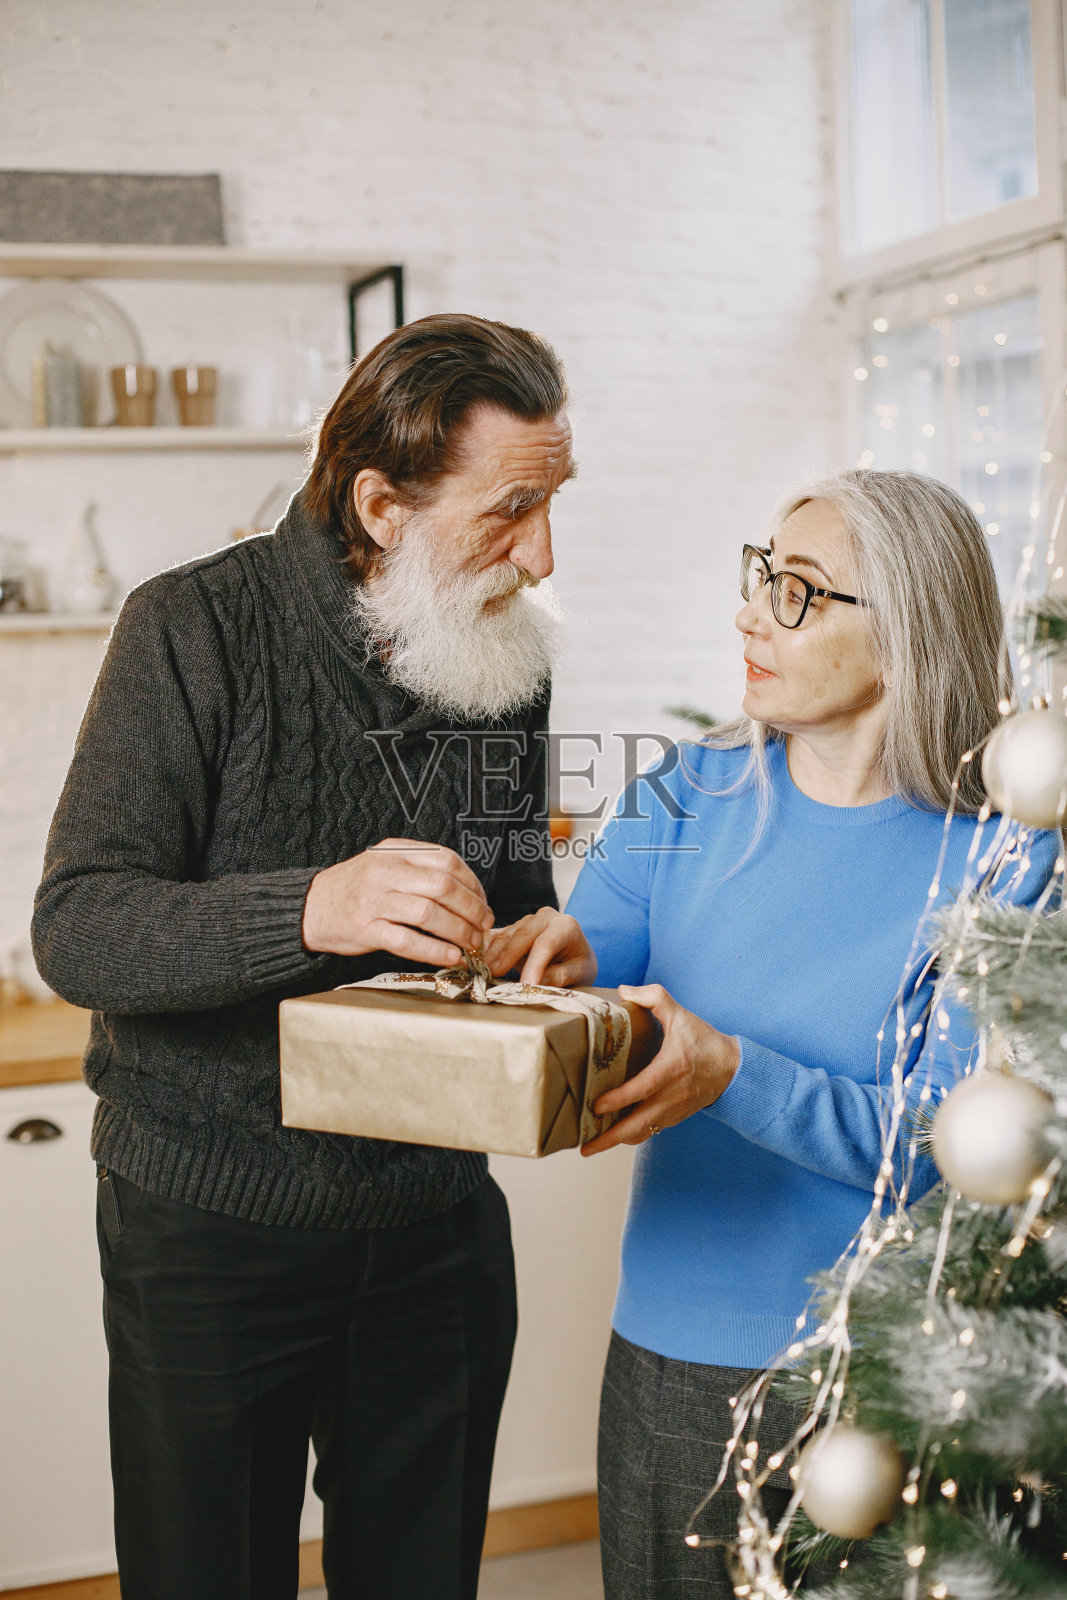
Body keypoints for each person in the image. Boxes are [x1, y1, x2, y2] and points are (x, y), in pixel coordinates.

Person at [32, 313, 576, 1600]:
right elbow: (79, 924)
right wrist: (313, 907)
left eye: (553, 504)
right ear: (382, 503)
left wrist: (531, 941)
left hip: (435, 1231)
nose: (541, 553)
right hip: (210, 1236)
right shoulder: (188, 629)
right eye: (509, 510)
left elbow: (511, 895)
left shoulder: (509, 653)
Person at [486, 469, 1060, 1599]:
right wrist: (537, 960)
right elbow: (587, 967)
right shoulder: (682, 793)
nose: (751, 612)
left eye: (797, 592)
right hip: (676, 1356)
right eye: (760, 575)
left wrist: (733, 1074)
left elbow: (966, 1160)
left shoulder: (1011, 854)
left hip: (907, 1378)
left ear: (903, 636)